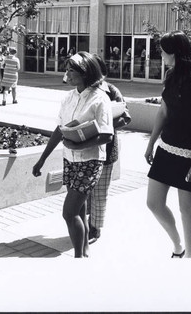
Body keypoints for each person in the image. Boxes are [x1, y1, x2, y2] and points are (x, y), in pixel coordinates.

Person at [32, 52, 114, 258]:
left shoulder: (100, 99)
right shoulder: (68, 98)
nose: (66, 73)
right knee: (78, 211)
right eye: (67, 69)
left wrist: (81, 146)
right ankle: (84, 251)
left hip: (90, 162)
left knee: (68, 213)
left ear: (84, 73)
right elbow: (60, 130)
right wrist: (41, 160)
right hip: (70, 160)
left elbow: (106, 135)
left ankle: (78, 257)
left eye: (71, 70)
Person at [144, 31, 191, 259]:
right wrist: (151, 143)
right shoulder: (171, 76)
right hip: (166, 149)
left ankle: (189, 260)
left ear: (174, 52)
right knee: (153, 203)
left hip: (190, 154)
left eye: (162, 51)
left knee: (187, 212)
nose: (160, 55)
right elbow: (163, 111)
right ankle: (177, 246)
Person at [87, 54, 132, 244]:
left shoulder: (112, 91)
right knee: (84, 192)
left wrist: (105, 124)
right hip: (85, 149)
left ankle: (95, 228)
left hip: (106, 150)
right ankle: (84, 222)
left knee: (99, 193)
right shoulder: (81, 91)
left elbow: (126, 117)